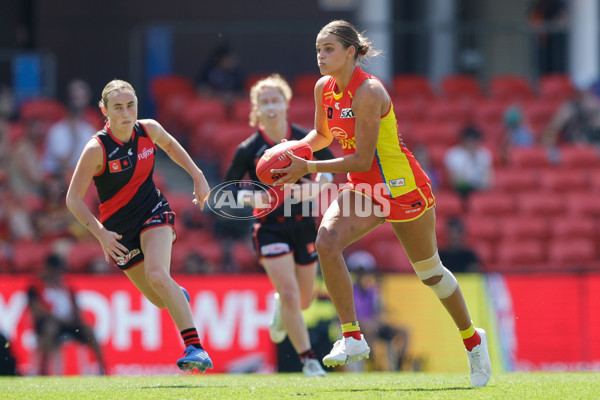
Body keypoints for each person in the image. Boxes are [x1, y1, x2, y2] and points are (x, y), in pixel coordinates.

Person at [272, 20, 491, 387]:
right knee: (326, 243)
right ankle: (353, 336)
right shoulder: (323, 88)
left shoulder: (369, 92)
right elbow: (323, 135)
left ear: (352, 52)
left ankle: (472, 340)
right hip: (363, 189)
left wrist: (306, 166)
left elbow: (361, 158)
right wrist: (287, 150)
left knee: (431, 274)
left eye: (328, 49)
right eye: (318, 50)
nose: (321, 57)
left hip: (401, 187)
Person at [65, 79, 213, 373]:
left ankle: (195, 348)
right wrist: (101, 235)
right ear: (104, 110)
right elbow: (73, 199)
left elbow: (170, 145)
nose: (125, 112)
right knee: (160, 300)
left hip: (153, 210)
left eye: (130, 105)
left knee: (158, 274)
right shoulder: (97, 149)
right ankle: (176, 294)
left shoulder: (149, 129)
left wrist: (197, 175)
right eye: (117, 107)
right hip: (118, 231)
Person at [223, 74, 334, 377]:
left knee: (304, 299)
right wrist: (251, 197)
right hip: (270, 227)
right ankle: (309, 360)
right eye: (264, 101)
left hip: (303, 224)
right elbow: (227, 189)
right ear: (256, 108)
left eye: (276, 100)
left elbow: (332, 169)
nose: (271, 106)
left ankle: (280, 309)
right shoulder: (249, 148)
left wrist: (317, 187)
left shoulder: (304, 139)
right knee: (289, 293)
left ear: (286, 104)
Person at [27, 254, 106, 375]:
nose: (56, 273)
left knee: (89, 330)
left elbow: (76, 306)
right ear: (47, 268)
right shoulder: (36, 286)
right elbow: (36, 308)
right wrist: (56, 318)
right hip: (48, 323)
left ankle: (102, 369)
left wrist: (76, 318)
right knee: (50, 329)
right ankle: (43, 370)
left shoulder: (66, 286)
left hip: (68, 323)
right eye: (53, 270)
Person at [346, 250, 409, 372]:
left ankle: (399, 364)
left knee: (405, 331)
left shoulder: (374, 290)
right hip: (359, 328)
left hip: (374, 326)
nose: (361, 276)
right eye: (359, 272)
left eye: (364, 272)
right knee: (369, 330)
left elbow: (379, 311)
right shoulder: (348, 291)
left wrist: (380, 320)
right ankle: (374, 364)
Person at [41, 80, 99, 176]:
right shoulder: (57, 131)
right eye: (75, 98)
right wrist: (75, 138)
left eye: (82, 98)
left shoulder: (90, 129)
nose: (78, 103)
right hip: (59, 180)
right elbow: (65, 165)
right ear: (68, 100)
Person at [444, 125, 493, 198]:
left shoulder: (484, 154)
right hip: (460, 192)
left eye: (475, 140)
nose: (473, 143)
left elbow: (489, 180)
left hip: (480, 191)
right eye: (471, 140)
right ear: (464, 140)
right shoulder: (453, 154)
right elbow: (453, 181)